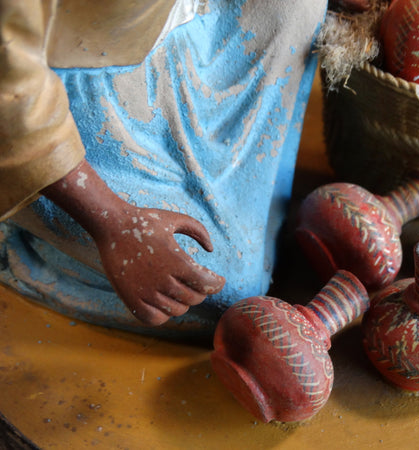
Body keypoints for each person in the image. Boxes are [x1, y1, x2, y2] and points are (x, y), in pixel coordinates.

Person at [0, 0, 345, 337]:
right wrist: (115, 223)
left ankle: (256, 210)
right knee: (224, 287)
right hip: (71, 108)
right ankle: (37, 246)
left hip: (188, 35)